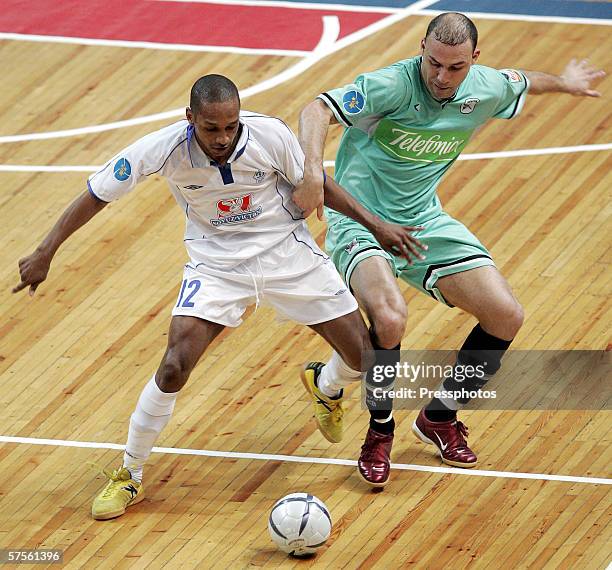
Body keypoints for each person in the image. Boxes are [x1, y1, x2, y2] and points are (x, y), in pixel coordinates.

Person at [13, 74, 425, 518]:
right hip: (217, 266)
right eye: (211, 128)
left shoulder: (269, 135)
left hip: (289, 255)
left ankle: (325, 387)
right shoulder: (163, 148)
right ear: (190, 118)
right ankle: (129, 473)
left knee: (365, 360)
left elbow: (318, 184)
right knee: (173, 366)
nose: (223, 138)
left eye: (230, 126)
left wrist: (377, 225)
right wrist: (45, 251)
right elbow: (96, 194)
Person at [295, 12, 605, 487]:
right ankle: (379, 433)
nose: (441, 77)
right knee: (392, 317)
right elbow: (317, 109)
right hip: (359, 218)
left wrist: (564, 82)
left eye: (454, 68)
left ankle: (439, 416)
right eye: (433, 63)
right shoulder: (391, 86)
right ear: (422, 48)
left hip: (423, 221)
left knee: (506, 315)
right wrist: (314, 171)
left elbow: (523, 81)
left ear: (473, 60)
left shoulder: (486, 87)